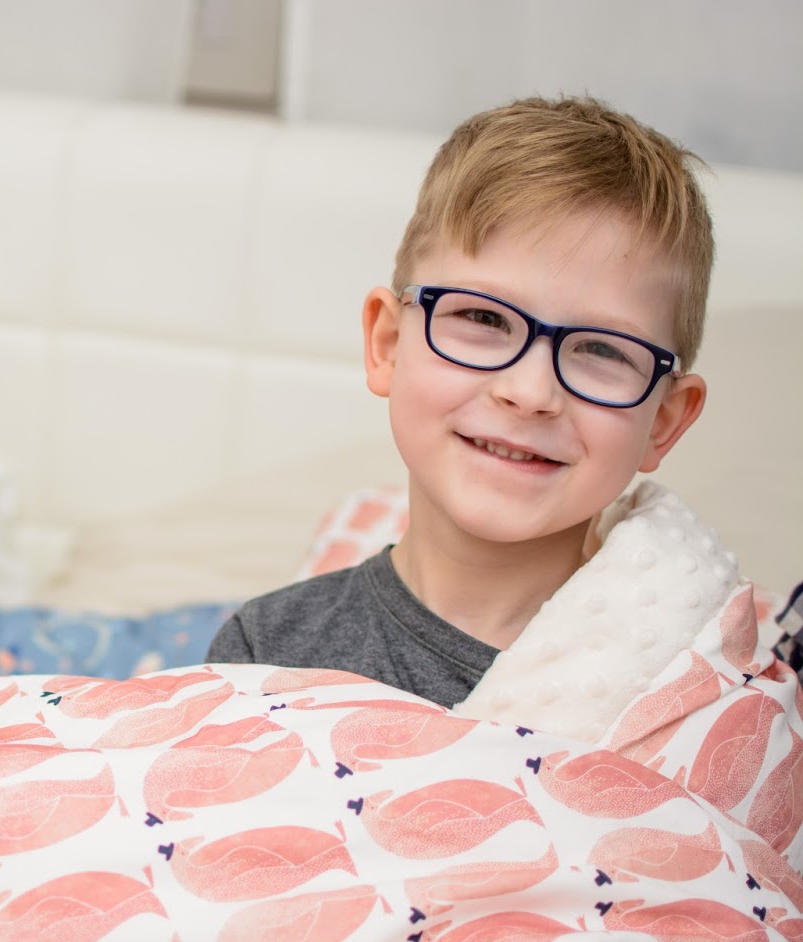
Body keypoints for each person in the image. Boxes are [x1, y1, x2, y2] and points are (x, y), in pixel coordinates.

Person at [207, 96, 710, 709]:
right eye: (483, 318)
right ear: (388, 344)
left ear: (664, 421)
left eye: (603, 350)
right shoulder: (266, 655)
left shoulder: (696, 691)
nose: (529, 393)